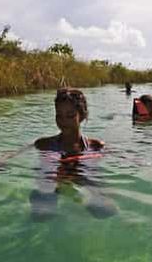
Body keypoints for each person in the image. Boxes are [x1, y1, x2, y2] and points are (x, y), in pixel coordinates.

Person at [7, 88, 115, 220]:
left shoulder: (96, 146)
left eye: (70, 115)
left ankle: (80, 198)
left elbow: (118, 155)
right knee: (41, 215)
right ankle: (65, 195)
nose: (63, 121)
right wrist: (3, 161)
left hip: (82, 179)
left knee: (107, 211)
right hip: (52, 182)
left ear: (81, 116)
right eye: (59, 115)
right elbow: (16, 153)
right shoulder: (44, 144)